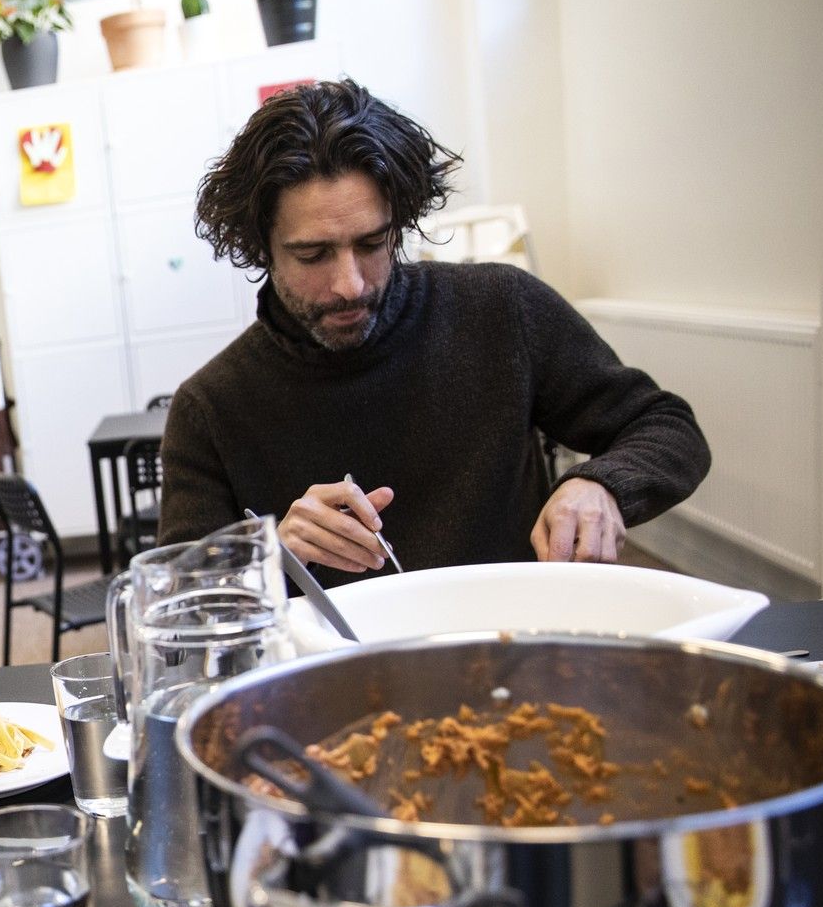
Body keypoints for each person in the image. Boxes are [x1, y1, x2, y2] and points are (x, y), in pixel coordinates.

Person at [157, 80, 710, 584]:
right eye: (312, 254)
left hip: (508, 655)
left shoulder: (500, 309)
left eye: (372, 245)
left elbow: (666, 425)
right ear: (261, 248)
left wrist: (602, 484)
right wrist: (269, 556)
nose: (349, 284)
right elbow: (175, 603)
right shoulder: (212, 407)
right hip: (337, 683)